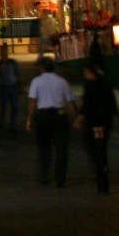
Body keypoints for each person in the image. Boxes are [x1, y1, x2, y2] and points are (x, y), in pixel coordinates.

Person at [26, 57, 78, 187]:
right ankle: (60, 179)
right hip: (59, 116)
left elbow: (33, 102)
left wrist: (29, 119)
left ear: (42, 68)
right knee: (61, 149)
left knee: (44, 148)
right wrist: (77, 118)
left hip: (43, 116)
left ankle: (44, 176)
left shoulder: (36, 81)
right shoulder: (62, 82)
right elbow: (71, 103)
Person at [73, 65, 118, 177]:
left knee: (92, 143)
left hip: (95, 122)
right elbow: (112, 104)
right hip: (106, 121)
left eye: (86, 72)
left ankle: (100, 169)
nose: (85, 75)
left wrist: (78, 120)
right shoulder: (107, 85)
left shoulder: (90, 87)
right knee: (102, 143)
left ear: (92, 74)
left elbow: (86, 106)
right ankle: (103, 166)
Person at [0, 45, 22, 131]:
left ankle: (12, 125)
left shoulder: (13, 63)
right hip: (2, 87)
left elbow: (18, 74)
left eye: (5, 50)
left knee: (15, 107)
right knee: (3, 107)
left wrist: (20, 85)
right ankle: (1, 123)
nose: (4, 52)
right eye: (2, 51)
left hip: (13, 87)